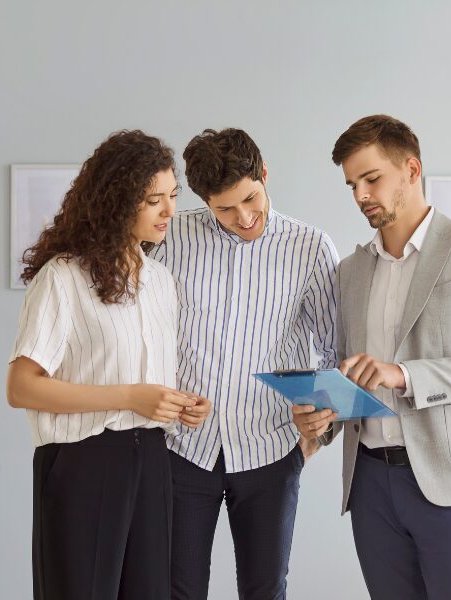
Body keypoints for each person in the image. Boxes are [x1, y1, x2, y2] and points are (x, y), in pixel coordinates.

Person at [293, 115, 451, 600]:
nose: (360, 195)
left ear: (411, 169)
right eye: (352, 184)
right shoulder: (350, 272)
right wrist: (324, 417)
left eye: (371, 178)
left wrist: (402, 375)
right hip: (372, 486)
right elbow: (350, 373)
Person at [6, 129, 211, 600]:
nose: (168, 211)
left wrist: (180, 405)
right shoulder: (64, 277)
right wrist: (127, 396)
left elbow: (150, 381)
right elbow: (21, 387)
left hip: (154, 460)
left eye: (172, 197)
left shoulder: (161, 281)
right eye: (153, 199)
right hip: (83, 462)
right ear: (118, 201)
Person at [150, 127, 338, 600]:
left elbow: (335, 351)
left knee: (265, 590)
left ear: (264, 174)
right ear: (203, 200)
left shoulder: (311, 248)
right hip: (181, 449)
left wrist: (319, 432)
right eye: (225, 209)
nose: (244, 217)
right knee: (177, 590)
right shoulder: (169, 240)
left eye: (251, 198)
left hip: (270, 449)